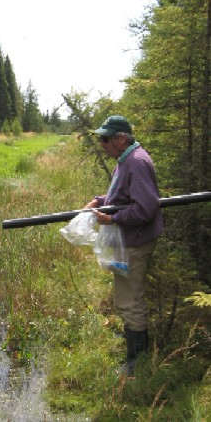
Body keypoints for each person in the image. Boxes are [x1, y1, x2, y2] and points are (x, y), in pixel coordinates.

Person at [85, 115, 163, 375]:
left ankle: (136, 364)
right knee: (127, 297)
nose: (102, 144)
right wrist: (98, 200)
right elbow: (121, 195)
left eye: (105, 139)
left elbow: (146, 208)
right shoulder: (126, 159)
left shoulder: (136, 162)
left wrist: (113, 219)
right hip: (131, 240)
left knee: (131, 301)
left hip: (136, 242)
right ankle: (134, 343)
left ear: (120, 138)